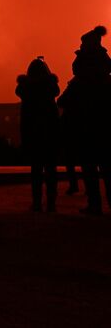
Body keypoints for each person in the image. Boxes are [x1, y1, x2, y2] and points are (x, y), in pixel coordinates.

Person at [58, 26, 111, 214]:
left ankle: (95, 205)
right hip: (105, 128)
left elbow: (63, 100)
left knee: (89, 167)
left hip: (87, 128)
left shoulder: (82, 82)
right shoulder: (106, 79)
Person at [16, 57, 60, 212]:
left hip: (33, 136)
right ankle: (51, 202)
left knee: (36, 171)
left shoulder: (26, 91)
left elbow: (25, 120)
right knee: (51, 170)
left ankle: (36, 202)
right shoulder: (50, 90)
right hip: (50, 135)